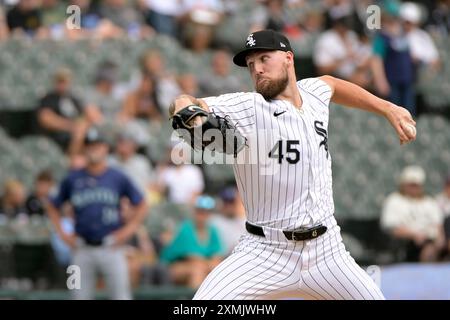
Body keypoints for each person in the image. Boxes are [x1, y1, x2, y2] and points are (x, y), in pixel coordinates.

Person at [169, 29, 417, 300]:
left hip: (327, 251)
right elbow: (189, 102)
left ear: (288, 58)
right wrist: (183, 106)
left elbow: (333, 84)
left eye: (264, 59)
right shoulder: (249, 107)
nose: (257, 69)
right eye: (251, 65)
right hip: (264, 251)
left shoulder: (314, 94)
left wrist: (387, 108)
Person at [45, 127, 148, 300]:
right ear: (85, 149)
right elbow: (52, 205)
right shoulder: (73, 178)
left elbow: (142, 203)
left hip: (112, 247)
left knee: (121, 297)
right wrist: (63, 234)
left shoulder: (117, 176)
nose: (94, 149)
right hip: (81, 248)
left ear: (106, 148)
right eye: (90, 146)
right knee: (78, 297)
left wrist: (128, 230)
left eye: (98, 145)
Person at [381, 165, 445, 262]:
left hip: (431, 241)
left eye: (416, 185)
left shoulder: (429, 202)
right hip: (407, 244)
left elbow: (438, 225)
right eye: (411, 185)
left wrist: (440, 239)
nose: (414, 188)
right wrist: (414, 234)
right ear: (403, 184)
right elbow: (392, 229)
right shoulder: (394, 200)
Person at [160, 195, 225, 289]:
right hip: (171, 267)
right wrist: (209, 264)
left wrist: (212, 265)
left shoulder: (212, 230)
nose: (203, 215)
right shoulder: (186, 228)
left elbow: (217, 256)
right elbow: (192, 257)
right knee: (198, 270)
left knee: (216, 269)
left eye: (207, 212)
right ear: (195, 212)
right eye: (200, 211)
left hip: (201, 265)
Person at [37, 68, 89, 154]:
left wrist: (80, 125)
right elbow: (45, 119)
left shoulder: (73, 99)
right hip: (57, 136)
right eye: (60, 81)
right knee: (79, 133)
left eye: (65, 82)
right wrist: (70, 126)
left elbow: (83, 116)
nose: (62, 85)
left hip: (77, 133)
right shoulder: (48, 99)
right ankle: (73, 158)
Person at [210, 186, 246, 255]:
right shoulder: (214, 221)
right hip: (222, 258)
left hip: (241, 255)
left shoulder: (243, 221)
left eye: (231, 202)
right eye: (226, 202)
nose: (229, 206)